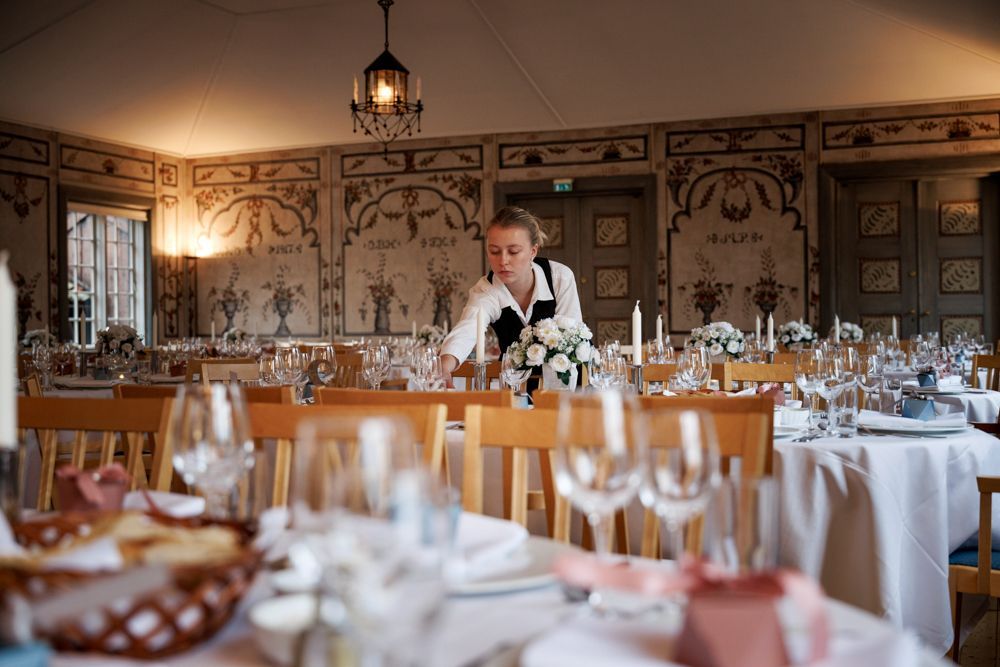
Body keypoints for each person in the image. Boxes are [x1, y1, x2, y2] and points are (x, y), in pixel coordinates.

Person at [439, 206, 583, 387]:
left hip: (566, 384)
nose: (503, 261)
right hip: (513, 386)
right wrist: (444, 368)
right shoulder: (487, 289)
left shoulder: (559, 278)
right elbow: (467, 330)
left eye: (513, 251)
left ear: (533, 251)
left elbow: (570, 337)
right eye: (494, 251)